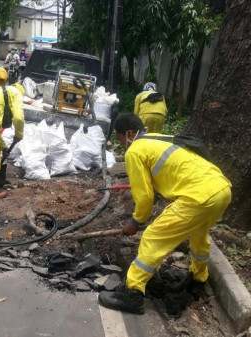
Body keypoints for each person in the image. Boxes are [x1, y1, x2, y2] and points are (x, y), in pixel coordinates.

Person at [98, 114, 232, 314]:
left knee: (152, 238)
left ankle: (132, 294)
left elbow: (144, 198)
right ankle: (198, 279)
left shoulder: (134, 150)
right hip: (221, 189)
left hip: (199, 195)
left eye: (120, 140)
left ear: (130, 134)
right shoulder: (158, 138)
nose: (123, 145)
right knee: (198, 236)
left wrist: (136, 222)